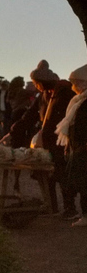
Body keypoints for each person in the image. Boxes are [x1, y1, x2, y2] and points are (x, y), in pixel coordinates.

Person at [6, 60, 75, 216]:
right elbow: (29, 116)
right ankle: (51, 205)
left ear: (43, 82)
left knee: (63, 174)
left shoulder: (66, 93)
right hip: (47, 141)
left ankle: (70, 208)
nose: (36, 86)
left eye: (37, 83)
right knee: (45, 175)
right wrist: (13, 131)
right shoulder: (43, 96)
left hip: (63, 141)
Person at [55, 65, 87, 226]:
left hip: (83, 148)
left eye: (77, 82)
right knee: (81, 182)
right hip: (77, 147)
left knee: (83, 182)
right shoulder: (77, 101)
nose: (75, 86)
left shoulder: (83, 102)